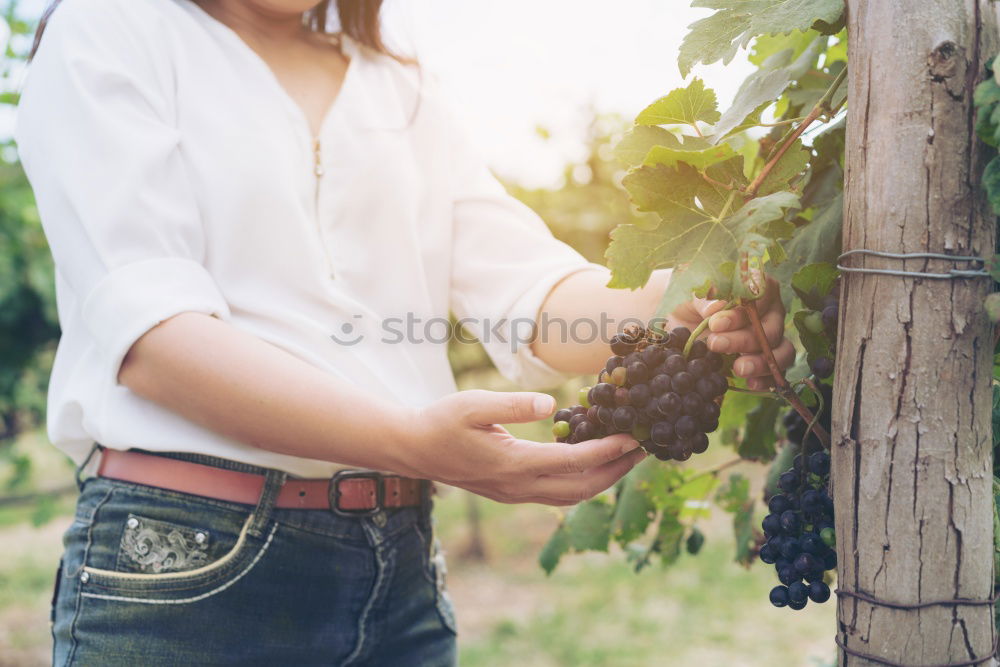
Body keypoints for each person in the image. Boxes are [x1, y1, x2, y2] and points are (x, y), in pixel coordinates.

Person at [14, 0, 794, 664]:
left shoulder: (397, 83)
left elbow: (533, 293)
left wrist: (691, 294)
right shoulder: (109, 29)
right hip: (188, 565)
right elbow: (155, 342)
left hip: (400, 566)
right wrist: (410, 441)